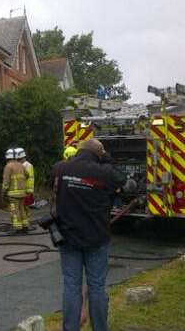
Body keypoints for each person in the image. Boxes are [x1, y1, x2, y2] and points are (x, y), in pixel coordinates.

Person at [54, 139, 126, 331]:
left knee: (71, 287)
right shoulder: (104, 172)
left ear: (78, 151)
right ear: (98, 154)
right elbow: (121, 178)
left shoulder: (60, 168)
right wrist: (106, 158)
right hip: (96, 240)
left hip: (68, 239)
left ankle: (70, 328)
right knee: (96, 288)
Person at [2, 148, 30, 233]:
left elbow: (6, 182)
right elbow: (27, 175)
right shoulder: (21, 165)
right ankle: (25, 226)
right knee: (22, 209)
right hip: (22, 193)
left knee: (15, 210)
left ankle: (17, 228)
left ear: (7, 157)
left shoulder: (8, 166)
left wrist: (3, 193)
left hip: (13, 194)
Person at [16, 148, 35, 217]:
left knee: (25, 208)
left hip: (26, 190)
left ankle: (26, 222)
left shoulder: (28, 165)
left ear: (22, 157)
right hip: (20, 190)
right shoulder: (19, 165)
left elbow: (30, 179)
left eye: (19, 159)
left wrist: (29, 191)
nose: (18, 160)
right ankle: (24, 222)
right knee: (21, 208)